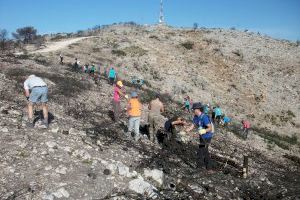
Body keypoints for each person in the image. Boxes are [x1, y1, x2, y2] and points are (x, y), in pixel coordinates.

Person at [186, 102, 214, 171]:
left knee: (202, 151)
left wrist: (204, 131)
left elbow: (210, 128)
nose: (193, 110)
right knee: (204, 151)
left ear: (198, 109)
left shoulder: (204, 117)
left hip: (207, 136)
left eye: (194, 109)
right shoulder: (196, 117)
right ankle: (206, 168)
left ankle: (202, 167)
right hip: (202, 136)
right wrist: (187, 130)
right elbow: (193, 125)